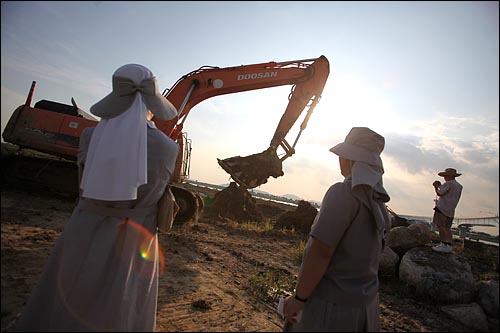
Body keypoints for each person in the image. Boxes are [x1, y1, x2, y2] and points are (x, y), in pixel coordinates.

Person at [15, 63, 179, 332]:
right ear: (151, 102)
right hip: (133, 240)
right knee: (120, 304)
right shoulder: (167, 148)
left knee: (67, 295)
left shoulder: (89, 136)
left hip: (83, 229)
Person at [282, 127, 391, 332]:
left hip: (331, 309)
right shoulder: (380, 205)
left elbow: (320, 251)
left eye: (344, 154)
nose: (339, 159)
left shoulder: (342, 193)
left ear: (351, 159)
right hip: (366, 310)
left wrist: (298, 298)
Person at [431, 168, 463, 254]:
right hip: (451, 210)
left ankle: (443, 244)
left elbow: (440, 193)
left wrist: (436, 187)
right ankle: (449, 245)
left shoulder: (448, 183)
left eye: (445, 176)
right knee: (447, 228)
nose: (444, 177)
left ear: (449, 176)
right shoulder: (459, 186)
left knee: (440, 226)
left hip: (442, 208)